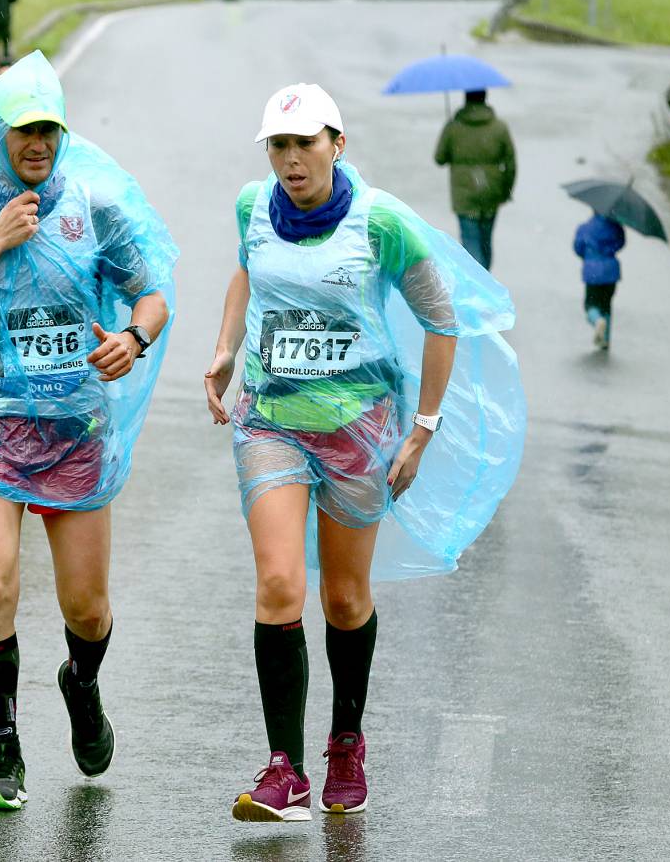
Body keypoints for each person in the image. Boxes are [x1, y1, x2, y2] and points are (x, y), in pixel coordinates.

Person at [204, 83, 523, 823]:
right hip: (271, 420)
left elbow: (441, 320)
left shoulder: (382, 223)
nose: (290, 161)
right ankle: (284, 771)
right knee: (279, 584)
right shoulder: (254, 207)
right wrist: (226, 347)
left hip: (358, 426)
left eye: (304, 144)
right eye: (278, 146)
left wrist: (423, 429)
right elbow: (248, 270)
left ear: (336, 145)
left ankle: (346, 742)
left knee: (344, 597)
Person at [0, 51, 176, 811]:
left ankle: (80, 684)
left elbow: (150, 293)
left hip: (73, 431)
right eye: (24, 130)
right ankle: (3, 751)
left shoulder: (94, 205)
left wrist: (135, 337)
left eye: (49, 130)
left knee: (85, 610)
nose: (37, 145)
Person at [433, 90, 515, 271]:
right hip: (491, 193)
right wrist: (506, 191)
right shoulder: (499, 127)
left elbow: (439, 158)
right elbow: (511, 163)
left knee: (471, 244)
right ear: (485, 98)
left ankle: (480, 287)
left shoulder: (454, 127)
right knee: (486, 242)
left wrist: (450, 132)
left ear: (465, 99)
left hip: (465, 196)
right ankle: (486, 282)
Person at [573, 212, 624, 350]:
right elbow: (621, 243)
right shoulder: (616, 227)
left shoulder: (585, 228)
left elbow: (578, 248)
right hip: (610, 272)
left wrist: (589, 255)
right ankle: (605, 340)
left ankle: (597, 321)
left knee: (590, 304)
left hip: (592, 273)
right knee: (606, 304)